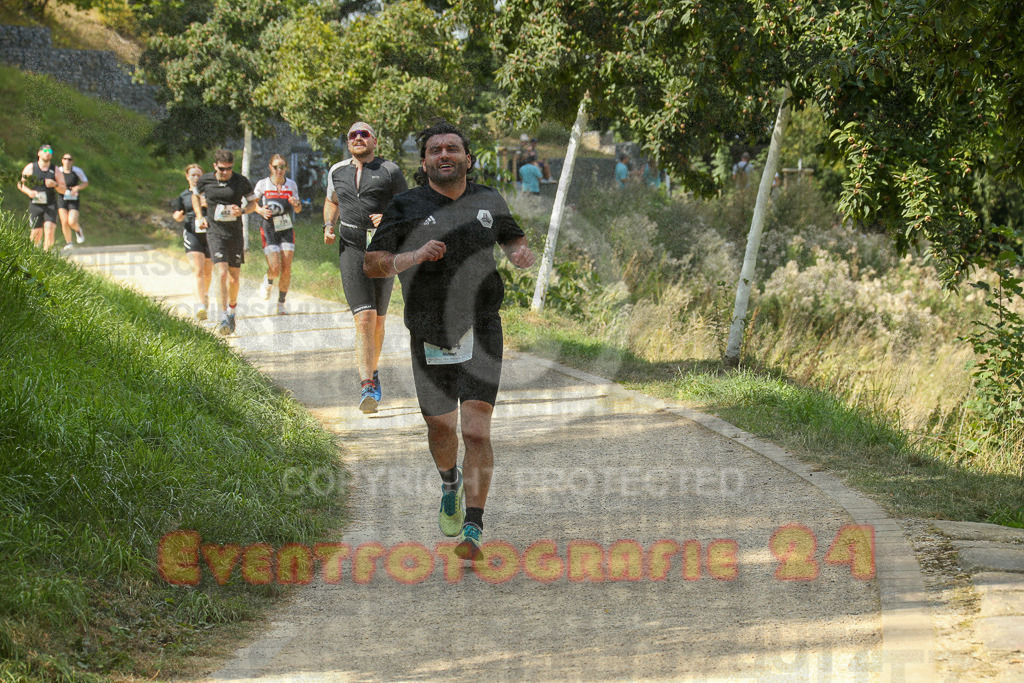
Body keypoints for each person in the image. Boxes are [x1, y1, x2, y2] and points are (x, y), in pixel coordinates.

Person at [363, 121, 536, 561]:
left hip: (481, 327)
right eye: (435, 149)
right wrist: (412, 256)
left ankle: (474, 528)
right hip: (429, 329)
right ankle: (449, 484)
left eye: (453, 148)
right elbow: (373, 263)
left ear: (467, 158)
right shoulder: (405, 204)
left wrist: (519, 252)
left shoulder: (488, 199)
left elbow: (513, 236)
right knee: (440, 427)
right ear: (424, 162)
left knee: (474, 430)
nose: (444, 154)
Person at [323, 122, 408, 414]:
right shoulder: (336, 171)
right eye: (352, 135)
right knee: (364, 318)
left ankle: (373, 370)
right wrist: (327, 224)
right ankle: (367, 384)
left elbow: (406, 207)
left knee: (380, 320)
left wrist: (388, 218)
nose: (358, 138)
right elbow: (331, 201)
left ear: (374, 141)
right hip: (351, 248)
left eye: (364, 134)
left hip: (382, 251)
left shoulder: (390, 171)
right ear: (348, 143)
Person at [193, 149, 259, 336]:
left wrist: (243, 211)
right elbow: (195, 195)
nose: (226, 172)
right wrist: (199, 216)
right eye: (222, 169)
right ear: (215, 166)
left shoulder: (241, 181)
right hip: (215, 233)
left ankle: (231, 310)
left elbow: (253, 203)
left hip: (235, 235)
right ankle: (222, 316)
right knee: (221, 273)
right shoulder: (206, 180)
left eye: (229, 169)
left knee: (234, 278)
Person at [254, 154, 302, 315]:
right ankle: (268, 281)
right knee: (275, 268)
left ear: (286, 168)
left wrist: (296, 204)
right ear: (270, 167)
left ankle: (281, 303)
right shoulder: (263, 184)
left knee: (287, 267)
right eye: (276, 167)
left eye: (282, 167)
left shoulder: (291, 185)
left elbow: (298, 208)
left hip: (286, 228)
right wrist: (259, 209)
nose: (279, 170)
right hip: (268, 229)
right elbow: (251, 202)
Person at [172, 164, 212, 320]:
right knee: (198, 269)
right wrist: (178, 216)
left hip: (209, 233)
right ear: (187, 176)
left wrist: (208, 205)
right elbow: (177, 212)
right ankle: (200, 305)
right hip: (192, 233)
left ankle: (204, 294)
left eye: (199, 175)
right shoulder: (183, 195)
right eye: (193, 175)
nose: (196, 178)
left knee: (208, 271)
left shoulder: (209, 193)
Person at [18, 144, 64, 250]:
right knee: (36, 233)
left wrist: (55, 185)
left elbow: (64, 189)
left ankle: (47, 255)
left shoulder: (55, 170)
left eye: (50, 152)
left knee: (50, 229)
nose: (48, 153)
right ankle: (33, 255)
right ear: (39, 153)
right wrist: (29, 192)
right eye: (45, 150)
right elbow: (20, 184)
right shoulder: (31, 167)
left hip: (50, 203)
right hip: (36, 203)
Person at [55, 152, 88, 246]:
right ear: (62, 160)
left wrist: (77, 187)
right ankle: (69, 242)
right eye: (65, 159)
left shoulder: (77, 171)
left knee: (72, 221)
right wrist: (60, 189)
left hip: (74, 198)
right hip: (62, 197)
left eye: (69, 159)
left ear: (72, 161)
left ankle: (78, 230)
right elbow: (54, 183)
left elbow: (85, 182)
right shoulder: (58, 171)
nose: (67, 161)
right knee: (64, 221)